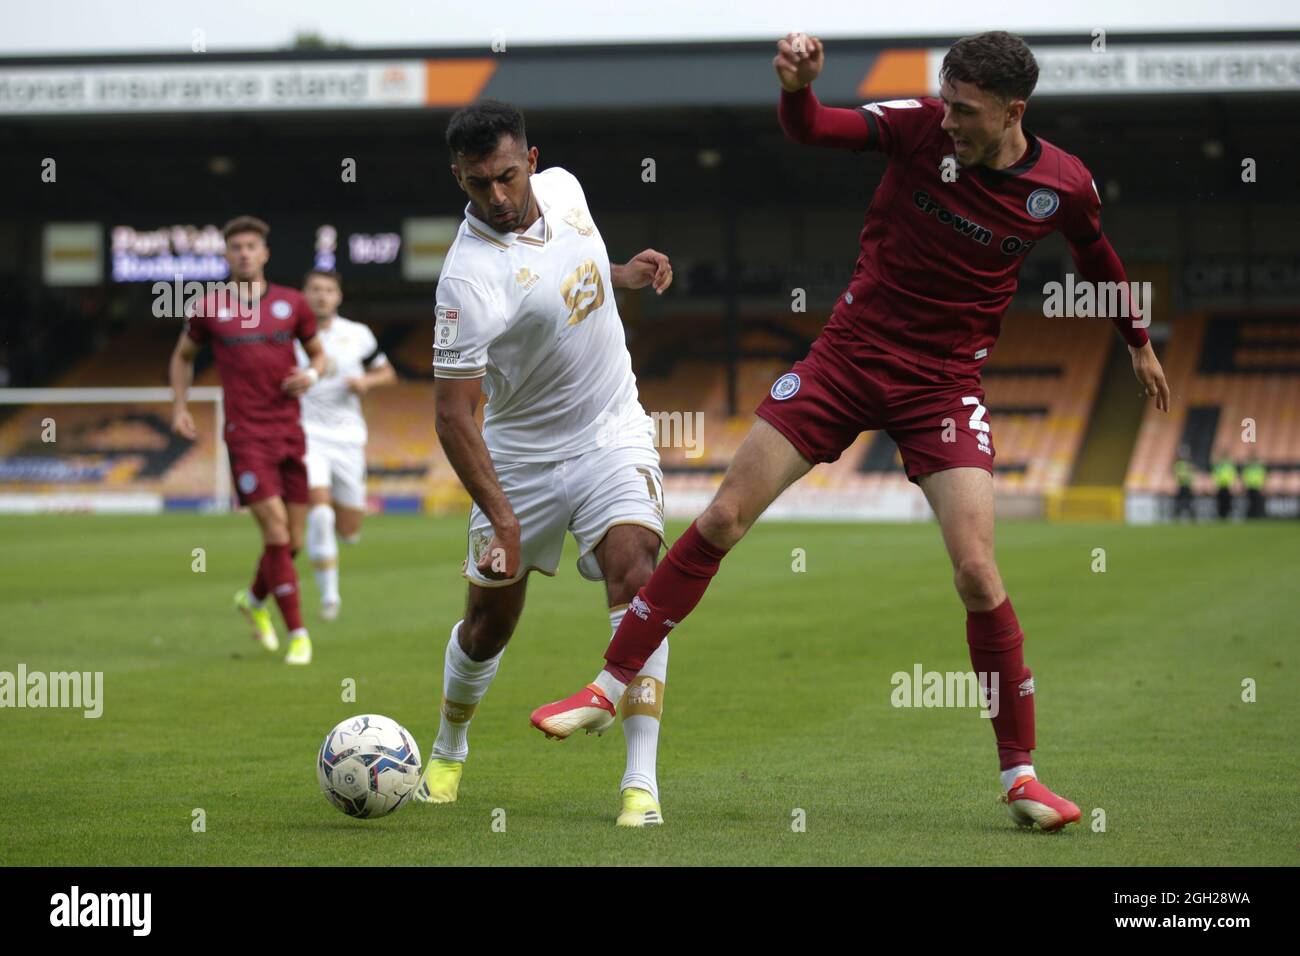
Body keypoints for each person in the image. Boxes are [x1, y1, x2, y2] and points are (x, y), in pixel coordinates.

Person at [531, 31, 1171, 833]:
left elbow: (1099, 257)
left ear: (1014, 111)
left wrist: (1137, 343)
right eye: (946, 101)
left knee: (977, 572)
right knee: (724, 515)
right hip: (846, 360)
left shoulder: (1062, 184)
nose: (949, 123)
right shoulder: (916, 127)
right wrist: (798, 88)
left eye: (966, 112)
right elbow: (814, 130)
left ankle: (1022, 778)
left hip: (943, 386)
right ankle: (607, 686)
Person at [421, 100, 676, 826]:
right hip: (519, 459)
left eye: (506, 177)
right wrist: (501, 516)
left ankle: (640, 784)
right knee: (488, 626)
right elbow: (451, 415)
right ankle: (449, 746)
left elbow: (576, 270)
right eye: (477, 186)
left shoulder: (566, 189)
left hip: (610, 429)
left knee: (638, 573)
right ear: (459, 179)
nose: (496, 198)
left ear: (532, 160)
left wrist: (624, 273)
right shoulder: (467, 281)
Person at [169, 215, 327, 665]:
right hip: (246, 436)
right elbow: (182, 357)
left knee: (292, 541)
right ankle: (298, 633)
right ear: (226, 255)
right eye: (235, 246)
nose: (243, 253)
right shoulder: (208, 307)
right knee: (276, 530)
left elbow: (320, 355)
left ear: (265, 253)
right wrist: (180, 406)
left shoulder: (292, 303)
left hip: (290, 433)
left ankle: (254, 600)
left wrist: (312, 373)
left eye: (251, 246)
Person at [294, 269, 397, 619]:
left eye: (328, 290)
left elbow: (388, 373)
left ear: (337, 296)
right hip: (306, 434)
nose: (322, 295)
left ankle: (343, 532)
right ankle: (330, 598)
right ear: (304, 295)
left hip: (349, 437)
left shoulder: (358, 335)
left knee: (349, 530)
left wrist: (366, 382)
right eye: (315, 289)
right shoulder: (288, 337)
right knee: (319, 513)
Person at [1212, 449, 1238, 521]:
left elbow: (1232, 476)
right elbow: (1216, 476)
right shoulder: (1221, 465)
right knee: (1221, 501)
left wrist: (1232, 485)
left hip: (1227, 486)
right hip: (1221, 486)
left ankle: (1226, 515)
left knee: (1226, 502)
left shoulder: (1226, 465)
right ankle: (1221, 515)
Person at [1241, 449, 1266, 519]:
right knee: (1250, 503)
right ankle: (1251, 515)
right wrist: (1245, 485)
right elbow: (1245, 476)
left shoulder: (1259, 467)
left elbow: (1263, 477)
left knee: (1257, 502)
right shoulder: (1248, 467)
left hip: (1257, 487)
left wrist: (1262, 486)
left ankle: (1257, 515)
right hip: (1250, 487)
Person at [1173, 445, 1196, 521]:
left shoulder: (1188, 465)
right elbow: (1178, 475)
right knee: (1180, 502)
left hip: (1187, 486)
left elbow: (1191, 475)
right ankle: (1177, 517)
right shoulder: (1179, 465)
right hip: (1182, 486)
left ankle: (1191, 517)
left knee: (1189, 502)